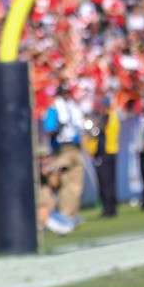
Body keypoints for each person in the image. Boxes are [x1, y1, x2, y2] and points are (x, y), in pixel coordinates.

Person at [42, 87, 87, 228]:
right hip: (64, 148)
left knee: (76, 183)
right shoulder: (55, 107)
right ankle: (65, 215)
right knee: (65, 183)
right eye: (65, 92)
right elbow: (49, 127)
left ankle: (72, 213)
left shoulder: (72, 105)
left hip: (75, 147)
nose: (68, 95)